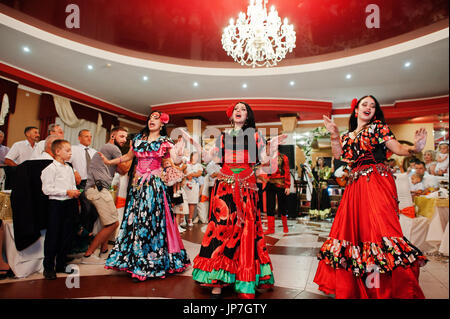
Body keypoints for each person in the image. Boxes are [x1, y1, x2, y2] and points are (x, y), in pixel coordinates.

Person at [315, 95, 428, 298]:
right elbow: (338, 154)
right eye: (365, 104)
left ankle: (385, 289)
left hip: (377, 181)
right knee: (356, 235)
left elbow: (397, 148)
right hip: (355, 186)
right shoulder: (348, 136)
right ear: (356, 110)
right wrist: (333, 133)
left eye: (373, 106)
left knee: (380, 232)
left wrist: (415, 148)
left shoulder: (378, 128)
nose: (369, 107)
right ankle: (366, 286)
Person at [190, 101, 286, 299]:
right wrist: (198, 148)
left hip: (247, 186)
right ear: (231, 116)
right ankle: (217, 280)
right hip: (224, 186)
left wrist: (272, 147)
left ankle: (244, 277)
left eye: (243, 109)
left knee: (245, 230)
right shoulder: (222, 136)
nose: (239, 111)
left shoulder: (256, 136)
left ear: (248, 116)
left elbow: (264, 161)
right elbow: (212, 161)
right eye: (236, 109)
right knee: (221, 228)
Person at [101, 111, 190, 281]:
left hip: (154, 187)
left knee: (152, 223)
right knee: (135, 222)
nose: (151, 120)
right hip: (138, 187)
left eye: (156, 118)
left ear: (162, 124)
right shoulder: (138, 140)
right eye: (150, 118)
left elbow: (171, 161)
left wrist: (176, 157)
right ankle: (135, 261)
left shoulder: (165, 142)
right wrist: (110, 162)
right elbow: (128, 156)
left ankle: (150, 262)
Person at [80, 127, 129, 264]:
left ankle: (104, 251)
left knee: (108, 222)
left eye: (126, 137)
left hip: (97, 189)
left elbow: (119, 169)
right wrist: (133, 153)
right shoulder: (113, 148)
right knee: (113, 223)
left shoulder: (105, 149)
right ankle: (88, 255)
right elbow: (124, 169)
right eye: (121, 136)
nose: (124, 140)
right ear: (113, 136)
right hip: (98, 189)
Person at [40, 139, 80, 280]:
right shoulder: (50, 169)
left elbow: (72, 184)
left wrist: (74, 191)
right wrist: (66, 191)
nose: (70, 153)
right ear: (57, 152)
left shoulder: (69, 168)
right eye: (67, 150)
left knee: (66, 235)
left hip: (69, 204)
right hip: (56, 205)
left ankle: (61, 264)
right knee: (53, 236)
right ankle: (48, 267)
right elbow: (46, 189)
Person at [68, 129, 98, 240]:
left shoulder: (94, 151)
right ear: (79, 138)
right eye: (86, 136)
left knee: (95, 211)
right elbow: (67, 162)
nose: (89, 138)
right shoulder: (73, 149)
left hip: (93, 182)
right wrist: (75, 171)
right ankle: (80, 233)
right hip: (81, 183)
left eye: (90, 136)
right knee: (87, 208)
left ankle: (86, 233)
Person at [264, 151, 291, 234]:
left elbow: (287, 171)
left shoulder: (283, 157)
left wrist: (287, 186)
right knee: (270, 206)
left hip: (281, 184)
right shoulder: (267, 157)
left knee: (282, 206)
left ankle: (285, 227)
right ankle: (271, 229)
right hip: (270, 183)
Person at [183, 152, 203, 227]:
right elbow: (184, 172)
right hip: (186, 184)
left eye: (197, 156)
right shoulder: (186, 164)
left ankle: (190, 219)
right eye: (195, 156)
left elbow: (199, 174)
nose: (196, 157)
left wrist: (191, 174)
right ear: (191, 156)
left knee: (192, 203)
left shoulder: (199, 165)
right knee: (185, 201)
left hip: (194, 185)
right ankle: (183, 219)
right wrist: (188, 175)